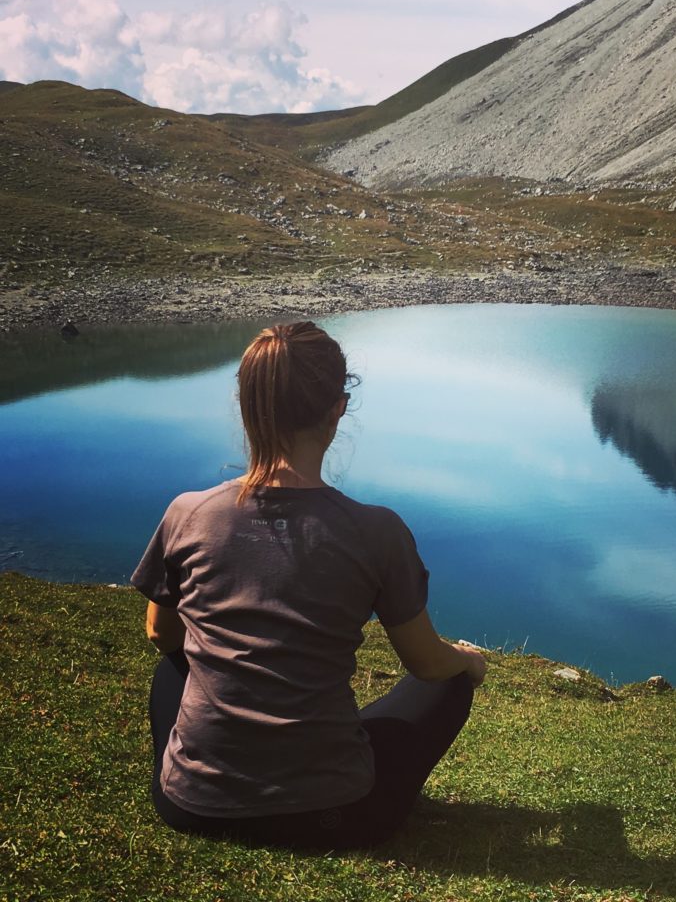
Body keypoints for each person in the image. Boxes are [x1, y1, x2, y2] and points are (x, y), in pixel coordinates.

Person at [132, 320, 486, 850]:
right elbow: (427, 665)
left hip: (190, 807)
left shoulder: (189, 513)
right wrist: (467, 661)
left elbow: (163, 635)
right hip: (336, 817)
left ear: (248, 405)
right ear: (338, 408)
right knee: (450, 683)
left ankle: (209, 772)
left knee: (171, 667)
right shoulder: (376, 531)